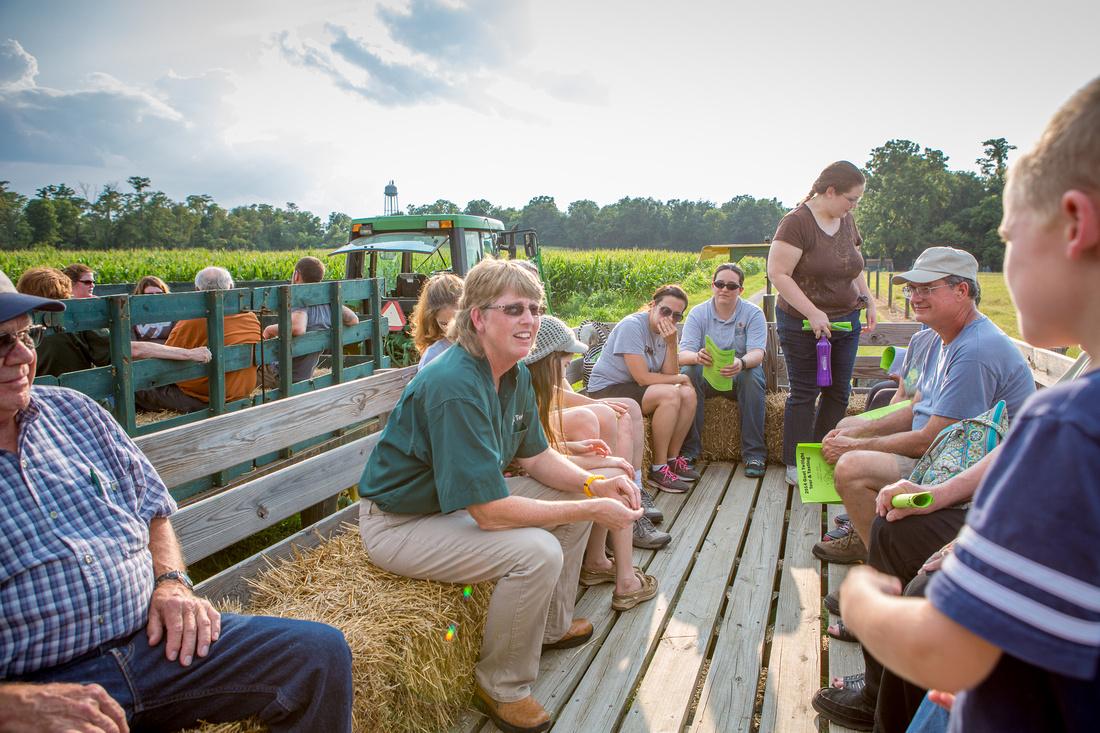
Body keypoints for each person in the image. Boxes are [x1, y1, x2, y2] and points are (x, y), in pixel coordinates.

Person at [841, 75, 1100, 733]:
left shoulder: (1070, 421)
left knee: (903, 564)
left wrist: (864, 601)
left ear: (1074, 223)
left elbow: (940, 646)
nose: (1003, 268)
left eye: (1010, 238)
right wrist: (947, 499)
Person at [0, 269, 354, 732]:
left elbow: (154, 509)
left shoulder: (75, 412)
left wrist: (171, 581)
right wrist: (17, 705)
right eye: (1, 342)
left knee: (319, 655)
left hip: (154, 644)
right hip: (41, 680)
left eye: (27, 334)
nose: (25, 354)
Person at [358, 258, 644, 733]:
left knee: (565, 495)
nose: (529, 319)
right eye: (514, 309)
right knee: (535, 551)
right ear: (478, 318)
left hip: (446, 507)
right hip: (401, 523)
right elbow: (489, 514)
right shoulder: (455, 384)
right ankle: (501, 686)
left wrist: (591, 482)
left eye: (534, 308)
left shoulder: (510, 372)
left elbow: (536, 458)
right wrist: (594, 505)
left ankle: (552, 625)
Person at [812, 246, 1034, 564]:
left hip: (976, 473)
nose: (914, 296)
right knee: (847, 429)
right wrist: (858, 433)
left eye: (927, 288)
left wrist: (853, 447)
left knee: (852, 467)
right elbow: (916, 406)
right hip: (943, 453)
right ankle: (869, 537)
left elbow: (933, 436)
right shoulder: (934, 338)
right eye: (912, 288)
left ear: (962, 291)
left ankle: (884, 567)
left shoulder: (975, 350)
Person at [522, 315, 661, 601]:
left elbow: (535, 451)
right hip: (525, 478)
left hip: (534, 464)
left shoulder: (522, 384)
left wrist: (580, 450)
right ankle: (625, 580)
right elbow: (530, 457)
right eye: (565, 359)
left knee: (614, 460)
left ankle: (601, 560)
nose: (567, 364)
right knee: (613, 472)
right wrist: (593, 463)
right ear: (550, 360)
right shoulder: (518, 391)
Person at [767, 161, 877, 486]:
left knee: (839, 392)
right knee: (804, 391)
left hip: (845, 322)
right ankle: (795, 461)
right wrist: (813, 312)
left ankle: (821, 453)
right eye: (851, 199)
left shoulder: (845, 220)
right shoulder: (796, 223)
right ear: (830, 191)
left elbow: (854, 265)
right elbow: (779, 274)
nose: (853, 206)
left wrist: (868, 298)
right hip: (801, 323)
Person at [587, 284, 700, 493]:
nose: (669, 319)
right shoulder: (632, 326)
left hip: (634, 387)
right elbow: (642, 378)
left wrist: (672, 344)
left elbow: (668, 374)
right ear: (653, 305)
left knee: (688, 394)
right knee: (671, 395)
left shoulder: (666, 334)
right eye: (665, 311)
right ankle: (658, 468)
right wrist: (682, 377)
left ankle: (672, 459)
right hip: (608, 388)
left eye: (677, 316)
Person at [16, 267, 211, 379]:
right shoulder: (75, 320)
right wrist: (189, 353)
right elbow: (129, 349)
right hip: (81, 397)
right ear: (64, 292)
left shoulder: (14, 324)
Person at [678, 263, 768, 478]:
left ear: (741, 290)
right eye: (720, 284)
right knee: (687, 373)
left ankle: (754, 454)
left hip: (738, 378)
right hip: (706, 378)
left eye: (731, 286)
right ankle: (689, 451)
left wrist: (742, 363)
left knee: (753, 374)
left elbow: (757, 353)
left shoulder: (753, 313)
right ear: (712, 286)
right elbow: (683, 354)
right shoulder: (698, 314)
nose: (724, 289)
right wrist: (697, 357)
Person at [135, 267, 260, 414]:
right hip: (242, 392)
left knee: (135, 388)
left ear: (196, 289)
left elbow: (164, 365)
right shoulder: (250, 317)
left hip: (205, 398)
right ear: (231, 287)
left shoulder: (190, 322)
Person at [259, 256, 358, 386]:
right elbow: (353, 320)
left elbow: (298, 328)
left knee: (242, 368)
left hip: (281, 375)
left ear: (296, 275)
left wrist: (268, 330)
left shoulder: (300, 298)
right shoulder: (329, 303)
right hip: (304, 375)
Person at [411, 272, 463, 369]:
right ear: (433, 321)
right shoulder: (433, 356)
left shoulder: (481, 345)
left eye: (457, 321)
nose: (451, 330)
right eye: (444, 323)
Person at [131, 275, 174, 343]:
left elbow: (177, 338)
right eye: (150, 294)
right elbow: (131, 343)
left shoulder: (174, 311)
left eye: (159, 293)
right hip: (142, 351)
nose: (155, 297)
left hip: (169, 350)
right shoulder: (132, 312)